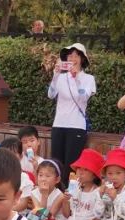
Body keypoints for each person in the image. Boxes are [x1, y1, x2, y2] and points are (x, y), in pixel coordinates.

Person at [48, 43, 96, 183]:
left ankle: (70, 194)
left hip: (76, 126)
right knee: (56, 163)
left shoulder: (88, 79)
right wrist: (56, 75)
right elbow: (51, 94)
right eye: (70, 55)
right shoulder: (61, 77)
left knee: (72, 163)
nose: (72, 58)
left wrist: (77, 79)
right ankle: (55, 193)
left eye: (76, 55)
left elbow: (83, 97)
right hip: (59, 124)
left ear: (82, 59)